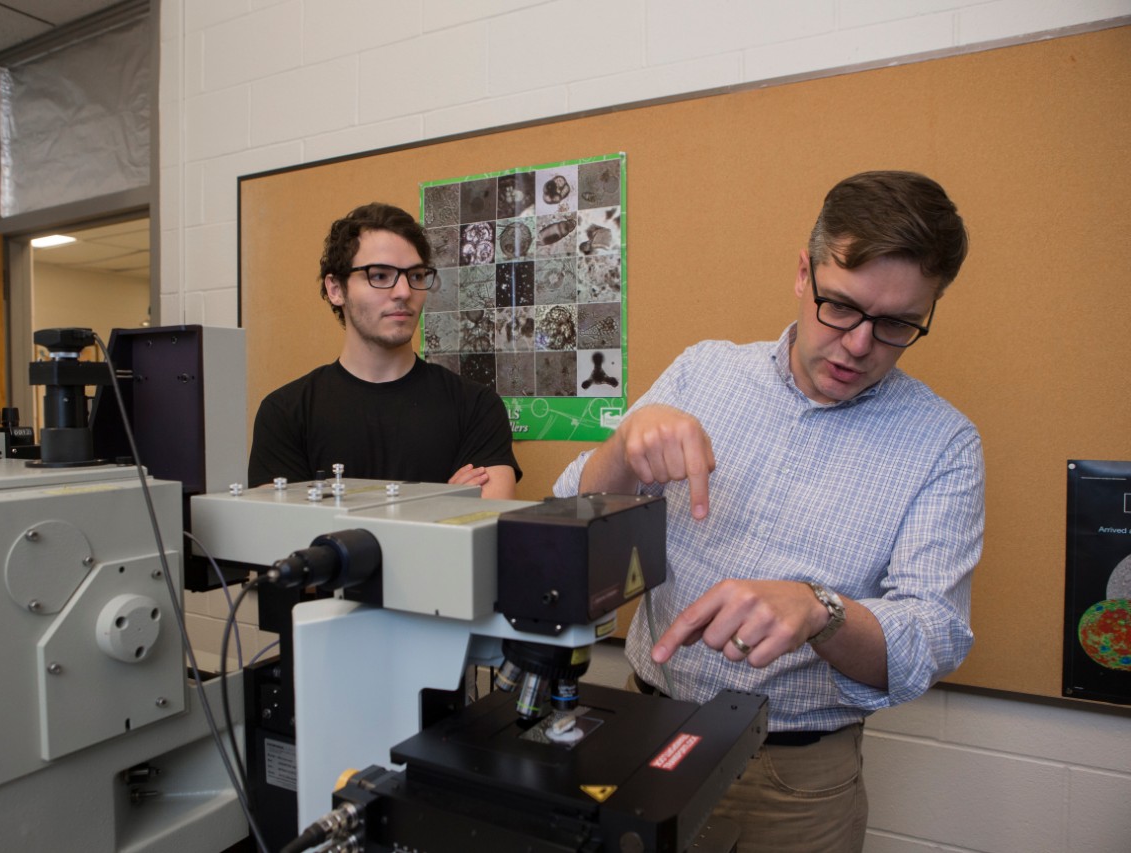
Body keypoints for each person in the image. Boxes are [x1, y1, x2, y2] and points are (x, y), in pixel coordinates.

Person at [553, 171, 983, 852]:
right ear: (802, 272)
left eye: (897, 323)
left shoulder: (944, 444)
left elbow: (933, 633)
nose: (860, 344)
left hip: (795, 783)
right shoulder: (704, 373)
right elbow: (569, 517)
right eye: (840, 305)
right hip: (643, 728)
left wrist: (822, 609)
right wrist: (621, 453)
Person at [248, 202, 520, 497]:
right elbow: (283, 534)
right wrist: (439, 502)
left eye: (415, 276)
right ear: (336, 288)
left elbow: (484, 526)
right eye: (379, 275)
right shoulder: (286, 413)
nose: (404, 292)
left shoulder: (476, 407)